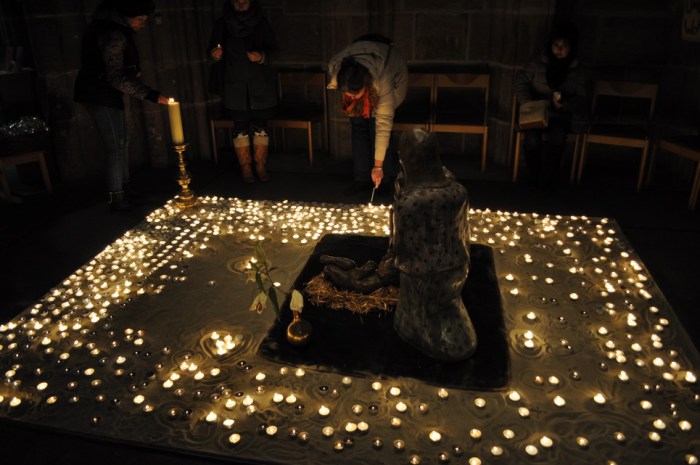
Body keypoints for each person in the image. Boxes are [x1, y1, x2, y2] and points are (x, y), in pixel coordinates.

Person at [74, 0, 169, 212]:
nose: (143, 25)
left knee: (122, 142)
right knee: (115, 146)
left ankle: (125, 190)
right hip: (99, 94)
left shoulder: (114, 30)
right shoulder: (114, 34)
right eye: (140, 20)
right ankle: (116, 198)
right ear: (126, 16)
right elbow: (115, 76)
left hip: (105, 92)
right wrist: (150, 94)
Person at [327, 34, 408, 195]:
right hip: (363, 74)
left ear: (366, 85)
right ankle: (362, 178)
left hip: (393, 81)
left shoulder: (382, 77)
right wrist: (353, 100)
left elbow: (383, 124)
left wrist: (378, 166)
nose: (351, 99)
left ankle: (385, 180)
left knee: (376, 127)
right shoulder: (337, 68)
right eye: (348, 95)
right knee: (358, 126)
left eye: (355, 96)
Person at [208, 0, 277, 183]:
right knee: (240, 130)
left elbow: (275, 52)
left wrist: (262, 57)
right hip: (234, 86)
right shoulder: (222, 24)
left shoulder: (261, 23)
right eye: (237, 1)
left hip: (260, 85)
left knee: (261, 128)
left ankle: (260, 165)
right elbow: (213, 51)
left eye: (244, 1)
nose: (241, 4)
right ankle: (245, 168)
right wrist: (215, 55)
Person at [514, 22, 586, 187]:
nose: (559, 50)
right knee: (532, 139)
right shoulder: (538, 63)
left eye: (564, 46)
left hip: (560, 115)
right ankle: (533, 178)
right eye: (556, 45)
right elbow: (520, 83)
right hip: (536, 113)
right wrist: (528, 103)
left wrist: (565, 104)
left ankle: (548, 180)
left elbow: (581, 97)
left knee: (557, 136)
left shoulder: (576, 70)